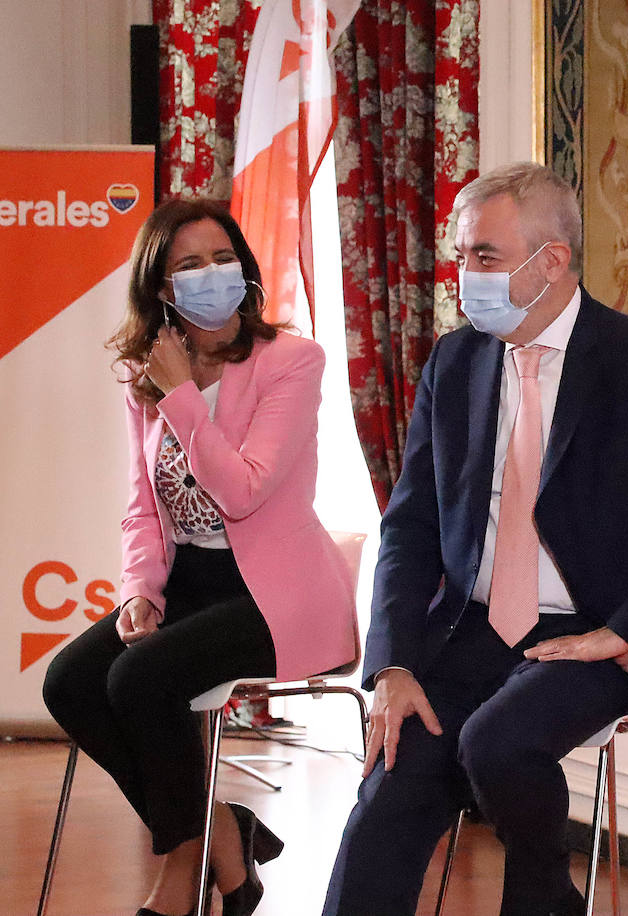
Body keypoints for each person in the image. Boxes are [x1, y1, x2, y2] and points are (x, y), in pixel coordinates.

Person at [322, 162, 628, 916]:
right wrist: (391, 662)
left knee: (497, 743)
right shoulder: (454, 363)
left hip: (600, 636)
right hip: (470, 630)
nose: (464, 275)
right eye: (460, 256)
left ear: (549, 262)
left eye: (483, 257)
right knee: (394, 782)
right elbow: (411, 524)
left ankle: (545, 895)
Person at [42, 199, 357, 916]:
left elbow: (244, 490)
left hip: (277, 594)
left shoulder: (292, 361)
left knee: (141, 681)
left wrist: (183, 395)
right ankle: (225, 834)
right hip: (192, 582)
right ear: (161, 288)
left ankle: (183, 878)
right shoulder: (144, 375)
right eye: (189, 265)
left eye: (223, 259)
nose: (212, 275)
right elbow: (142, 505)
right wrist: (138, 591)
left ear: (244, 270)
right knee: (70, 683)